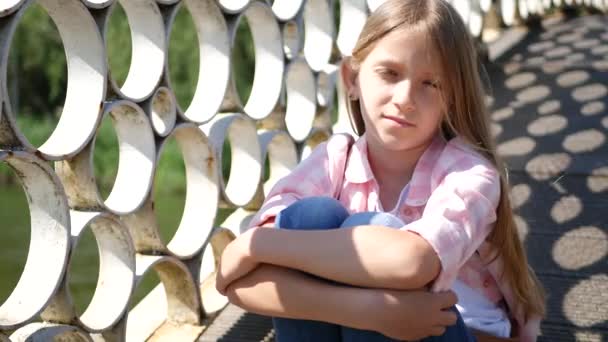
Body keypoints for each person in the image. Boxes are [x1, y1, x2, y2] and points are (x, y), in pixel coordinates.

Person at [215, 0, 546, 341]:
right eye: (390, 73)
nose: (405, 98)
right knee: (310, 216)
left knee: (373, 228)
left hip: (457, 330)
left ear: (454, 98)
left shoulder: (470, 174)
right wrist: (370, 311)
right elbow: (237, 282)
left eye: (431, 84)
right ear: (352, 78)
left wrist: (258, 244)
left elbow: (411, 262)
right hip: (368, 320)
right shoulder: (334, 159)